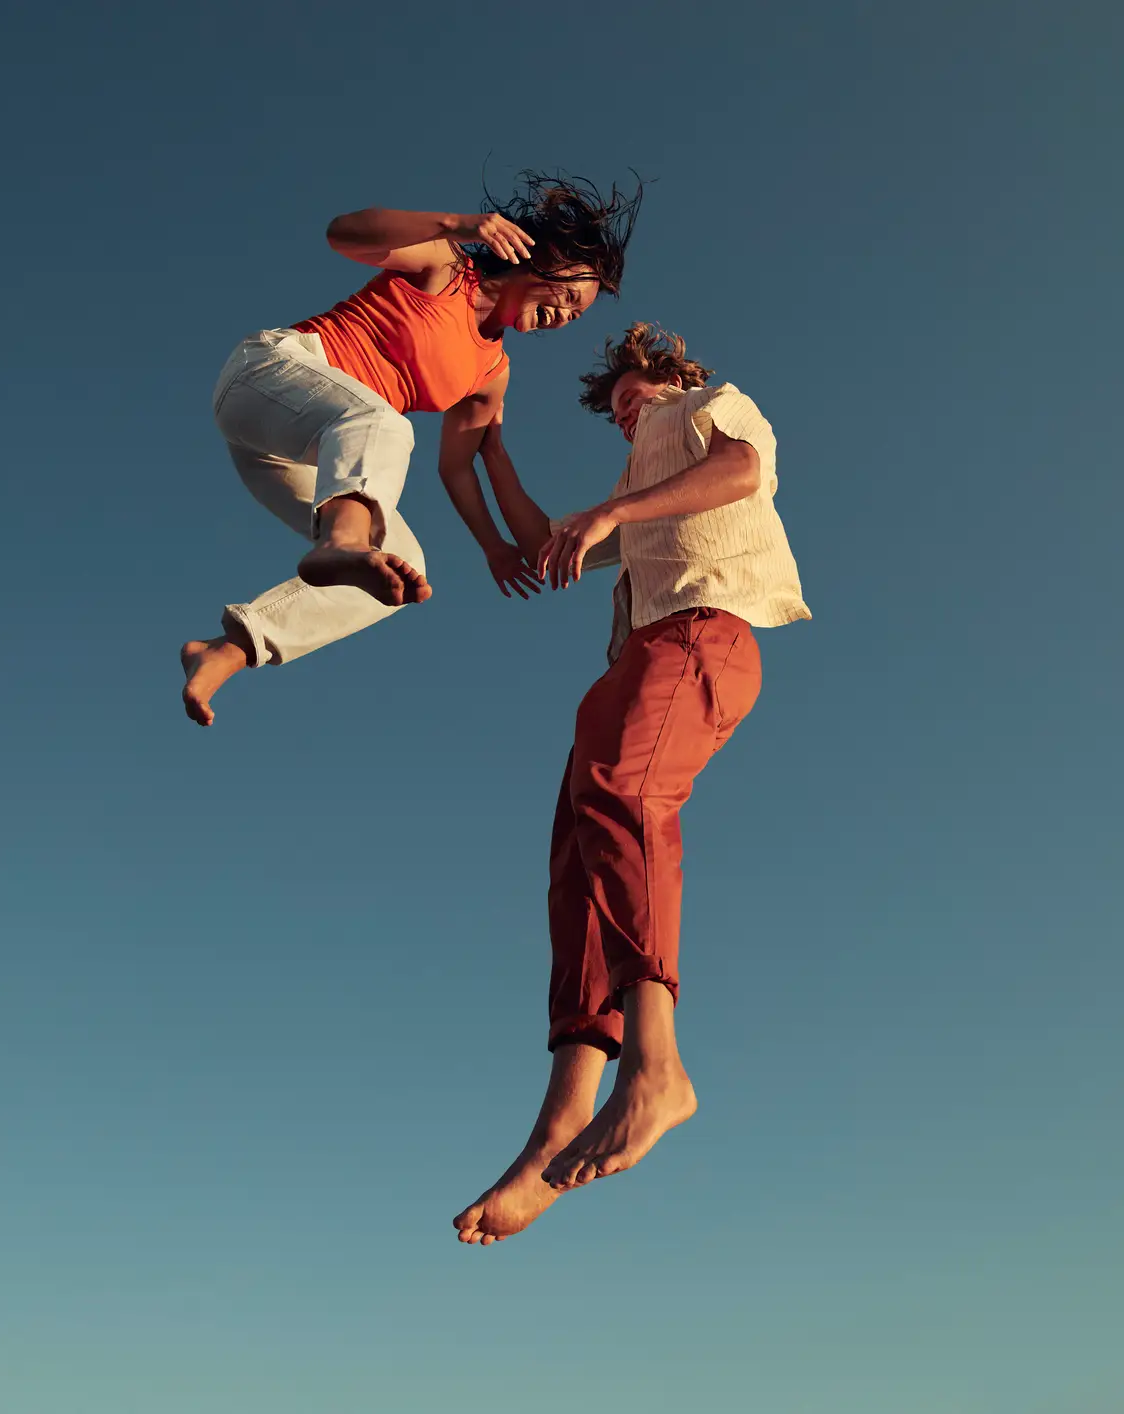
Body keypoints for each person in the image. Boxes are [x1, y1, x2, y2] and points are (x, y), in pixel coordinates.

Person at [452, 323, 812, 1245]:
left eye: (631, 399)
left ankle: (656, 1070)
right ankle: (559, 1120)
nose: (624, 417)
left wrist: (615, 512)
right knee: (579, 863)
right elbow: (542, 538)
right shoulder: (634, 488)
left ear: (669, 378)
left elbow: (739, 472)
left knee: (623, 793)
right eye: (614, 412)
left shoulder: (708, 408)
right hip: (638, 656)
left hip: (704, 629)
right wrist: (493, 452)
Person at [177, 173, 641, 726]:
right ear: (540, 259)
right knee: (383, 422)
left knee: (400, 568)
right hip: (269, 374)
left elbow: (457, 467)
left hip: (294, 447)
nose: (564, 316)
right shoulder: (447, 267)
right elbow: (343, 234)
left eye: (575, 315)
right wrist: (458, 225)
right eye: (567, 297)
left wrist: (493, 547)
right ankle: (343, 541)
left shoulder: (492, 372)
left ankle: (229, 648)